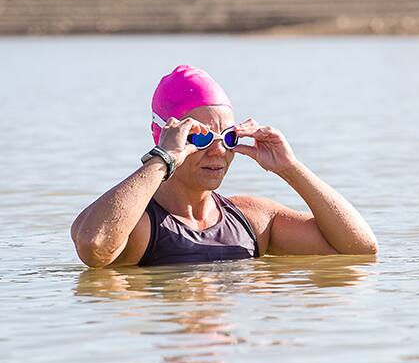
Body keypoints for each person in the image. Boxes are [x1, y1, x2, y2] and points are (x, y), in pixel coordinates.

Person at [70, 65, 378, 268]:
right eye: (200, 137)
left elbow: (360, 249)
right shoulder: (143, 226)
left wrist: (290, 167)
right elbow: (94, 247)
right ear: (167, 136)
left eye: (228, 137)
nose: (218, 150)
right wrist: (162, 159)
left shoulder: (252, 219)